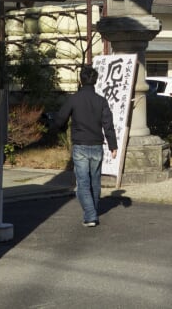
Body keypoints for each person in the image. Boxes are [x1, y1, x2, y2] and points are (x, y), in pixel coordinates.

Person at [50, 65, 118, 227]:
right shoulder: (101, 101)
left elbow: (60, 119)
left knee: (82, 183)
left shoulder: (73, 99)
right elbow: (108, 125)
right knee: (95, 181)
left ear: (81, 80)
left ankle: (90, 215)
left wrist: (58, 128)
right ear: (95, 81)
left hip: (80, 145)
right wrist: (113, 145)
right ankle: (92, 211)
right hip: (96, 145)